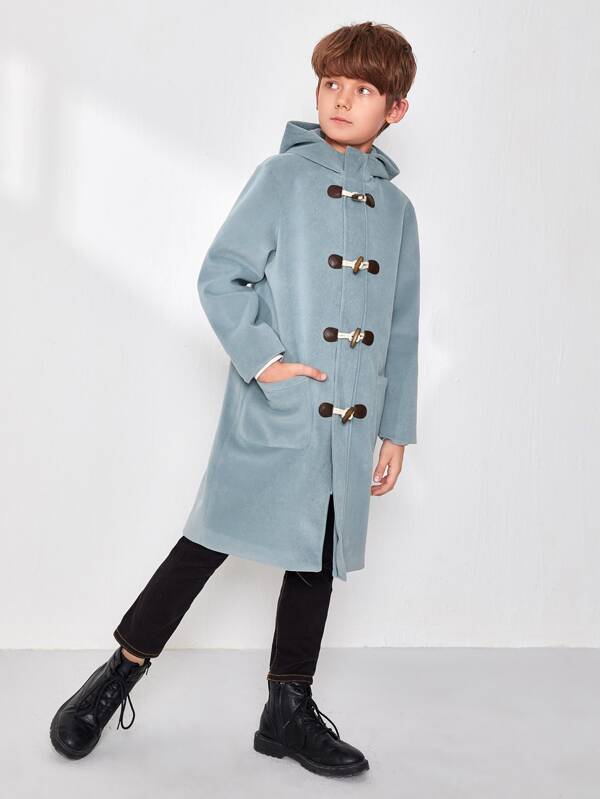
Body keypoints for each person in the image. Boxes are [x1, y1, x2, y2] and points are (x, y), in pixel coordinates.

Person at [49, 20, 420, 778]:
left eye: (362, 89)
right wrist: (266, 361)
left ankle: (288, 710)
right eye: (331, 83)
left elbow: (403, 323)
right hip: (278, 410)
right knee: (205, 541)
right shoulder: (281, 177)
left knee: (317, 558)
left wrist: (394, 428)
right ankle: (116, 674)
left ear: (396, 108)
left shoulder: (397, 211)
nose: (341, 99)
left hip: (350, 421)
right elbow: (223, 273)